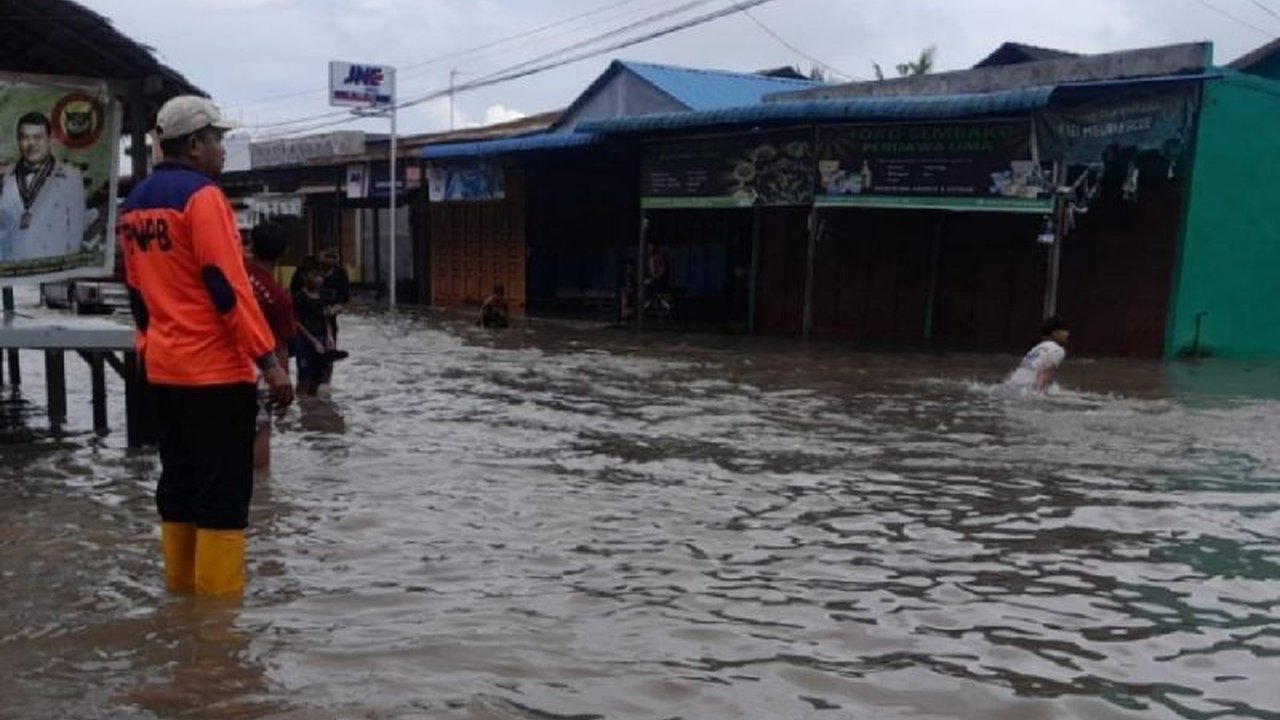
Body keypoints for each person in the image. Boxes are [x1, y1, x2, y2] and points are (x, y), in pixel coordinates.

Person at [119, 95, 293, 598]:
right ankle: (217, 635)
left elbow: (137, 294)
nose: (222, 148)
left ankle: (180, 602)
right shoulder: (204, 198)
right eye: (218, 139)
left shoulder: (134, 206)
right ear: (194, 145)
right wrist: (270, 363)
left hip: (163, 370)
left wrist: (150, 348)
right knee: (223, 496)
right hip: (215, 374)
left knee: (178, 485)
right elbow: (226, 287)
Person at [245, 220, 297, 471]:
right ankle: (261, 496)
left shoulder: (235, 272)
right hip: (261, 371)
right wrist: (284, 384)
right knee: (261, 429)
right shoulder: (279, 297)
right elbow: (282, 347)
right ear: (285, 251)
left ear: (250, 246)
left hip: (219, 364)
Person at [0, 112, 86, 263]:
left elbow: (75, 235)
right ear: (18, 141)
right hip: (11, 272)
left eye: (37, 137)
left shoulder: (71, 178)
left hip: (51, 274)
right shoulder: (4, 177)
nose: (31, 143)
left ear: (49, 139)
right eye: (25, 137)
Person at [292, 262, 335, 397]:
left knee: (320, 376)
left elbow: (326, 318)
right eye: (315, 275)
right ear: (304, 277)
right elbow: (297, 322)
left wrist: (329, 337)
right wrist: (313, 341)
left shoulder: (324, 296)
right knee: (304, 377)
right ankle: (301, 404)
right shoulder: (298, 298)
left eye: (320, 276)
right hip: (304, 340)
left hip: (322, 337)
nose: (319, 279)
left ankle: (314, 408)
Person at [1007, 318, 1070, 393]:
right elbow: (1045, 370)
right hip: (1026, 389)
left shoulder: (1037, 348)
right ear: (1054, 333)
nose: (1067, 334)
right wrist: (1038, 392)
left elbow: (1022, 366)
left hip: (1012, 385)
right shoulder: (1058, 350)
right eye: (1064, 331)